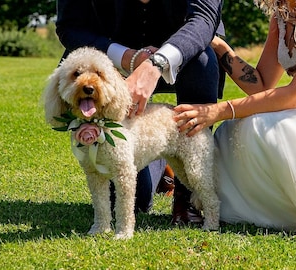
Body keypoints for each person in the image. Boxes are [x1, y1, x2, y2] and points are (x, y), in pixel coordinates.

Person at [55, 0, 225, 223]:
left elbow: (203, 19)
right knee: (137, 200)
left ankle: (187, 197)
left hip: (185, 53)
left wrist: (157, 63)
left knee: (203, 62)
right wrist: (124, 56)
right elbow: (70, 26)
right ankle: (156, 156)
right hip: (108, 55)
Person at [174, 0, 296, 231]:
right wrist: (217, 44)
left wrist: (218, 110)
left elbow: (295, 94)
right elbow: (261, 85)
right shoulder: (282, 16)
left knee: (265, 127)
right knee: (239, 127)